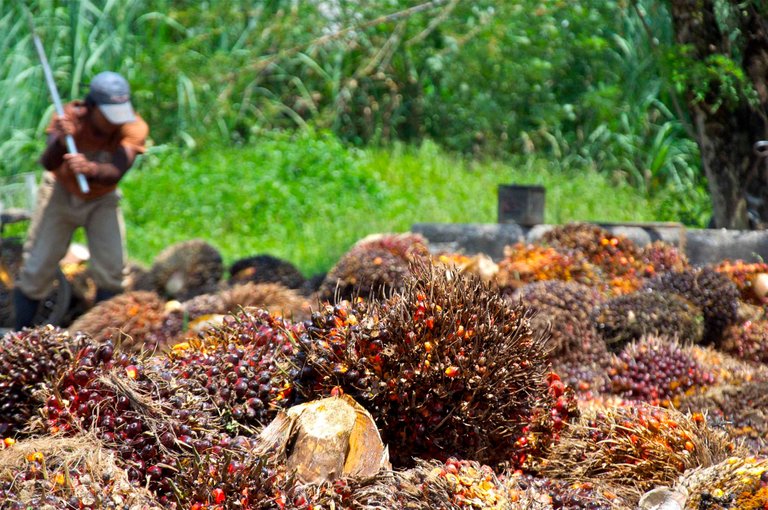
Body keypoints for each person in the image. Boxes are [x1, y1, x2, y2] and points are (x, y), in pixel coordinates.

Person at [13, 71, 149, 330]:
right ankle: (20, 339)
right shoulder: (70, 119)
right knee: (36, 270)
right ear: (92, 107)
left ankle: (103, 340)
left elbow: (116, 172)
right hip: (60, 193)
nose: (113, 123)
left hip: (101, 199)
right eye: (109, 115)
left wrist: (90, 169)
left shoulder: (133, 127)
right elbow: (48, 162)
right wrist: (63, 142)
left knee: (112, 273)